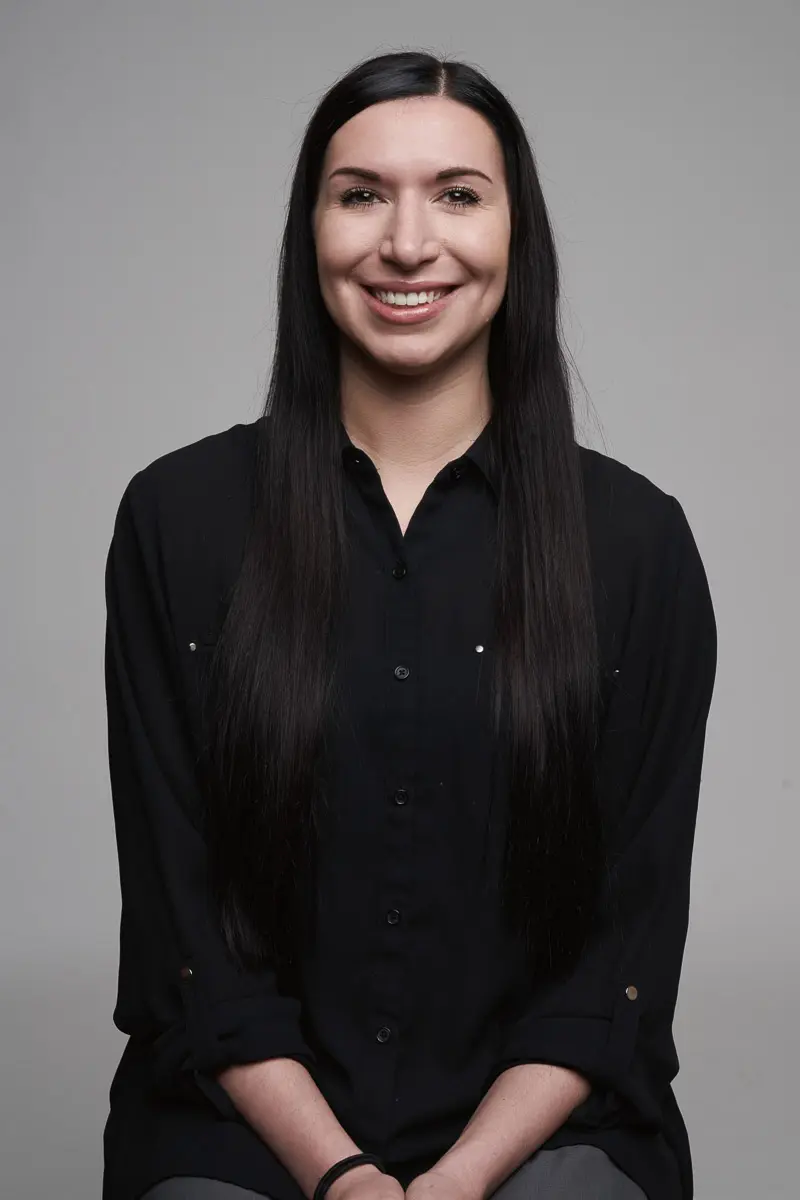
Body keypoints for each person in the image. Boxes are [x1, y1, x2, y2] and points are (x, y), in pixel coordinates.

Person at [101, 50, 717, 1200]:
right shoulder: (175, 522)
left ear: (514, 236)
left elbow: (619, 961)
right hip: (243, 1130)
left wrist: (454, 1182)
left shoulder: (636, 544)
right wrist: (339, 1176)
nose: (406, 241)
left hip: (543, 1133)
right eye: (360, 194)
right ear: (311, 231)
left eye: (456, 194)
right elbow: (187, 932)